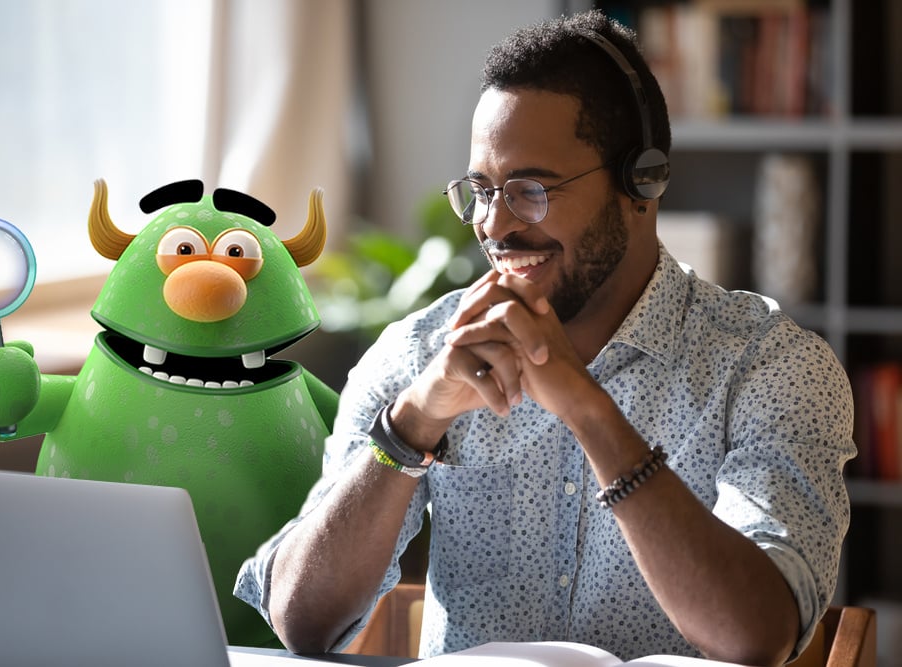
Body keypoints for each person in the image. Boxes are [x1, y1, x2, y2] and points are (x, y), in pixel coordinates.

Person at [235, 10, 855, 666]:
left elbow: (757, 632)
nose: (494, 225)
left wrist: (588, 410)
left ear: (640, 182)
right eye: (479, 189)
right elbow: (301, 622)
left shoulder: (771, 366)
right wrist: (411, 426)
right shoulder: (420, 354)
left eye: (531, 189)